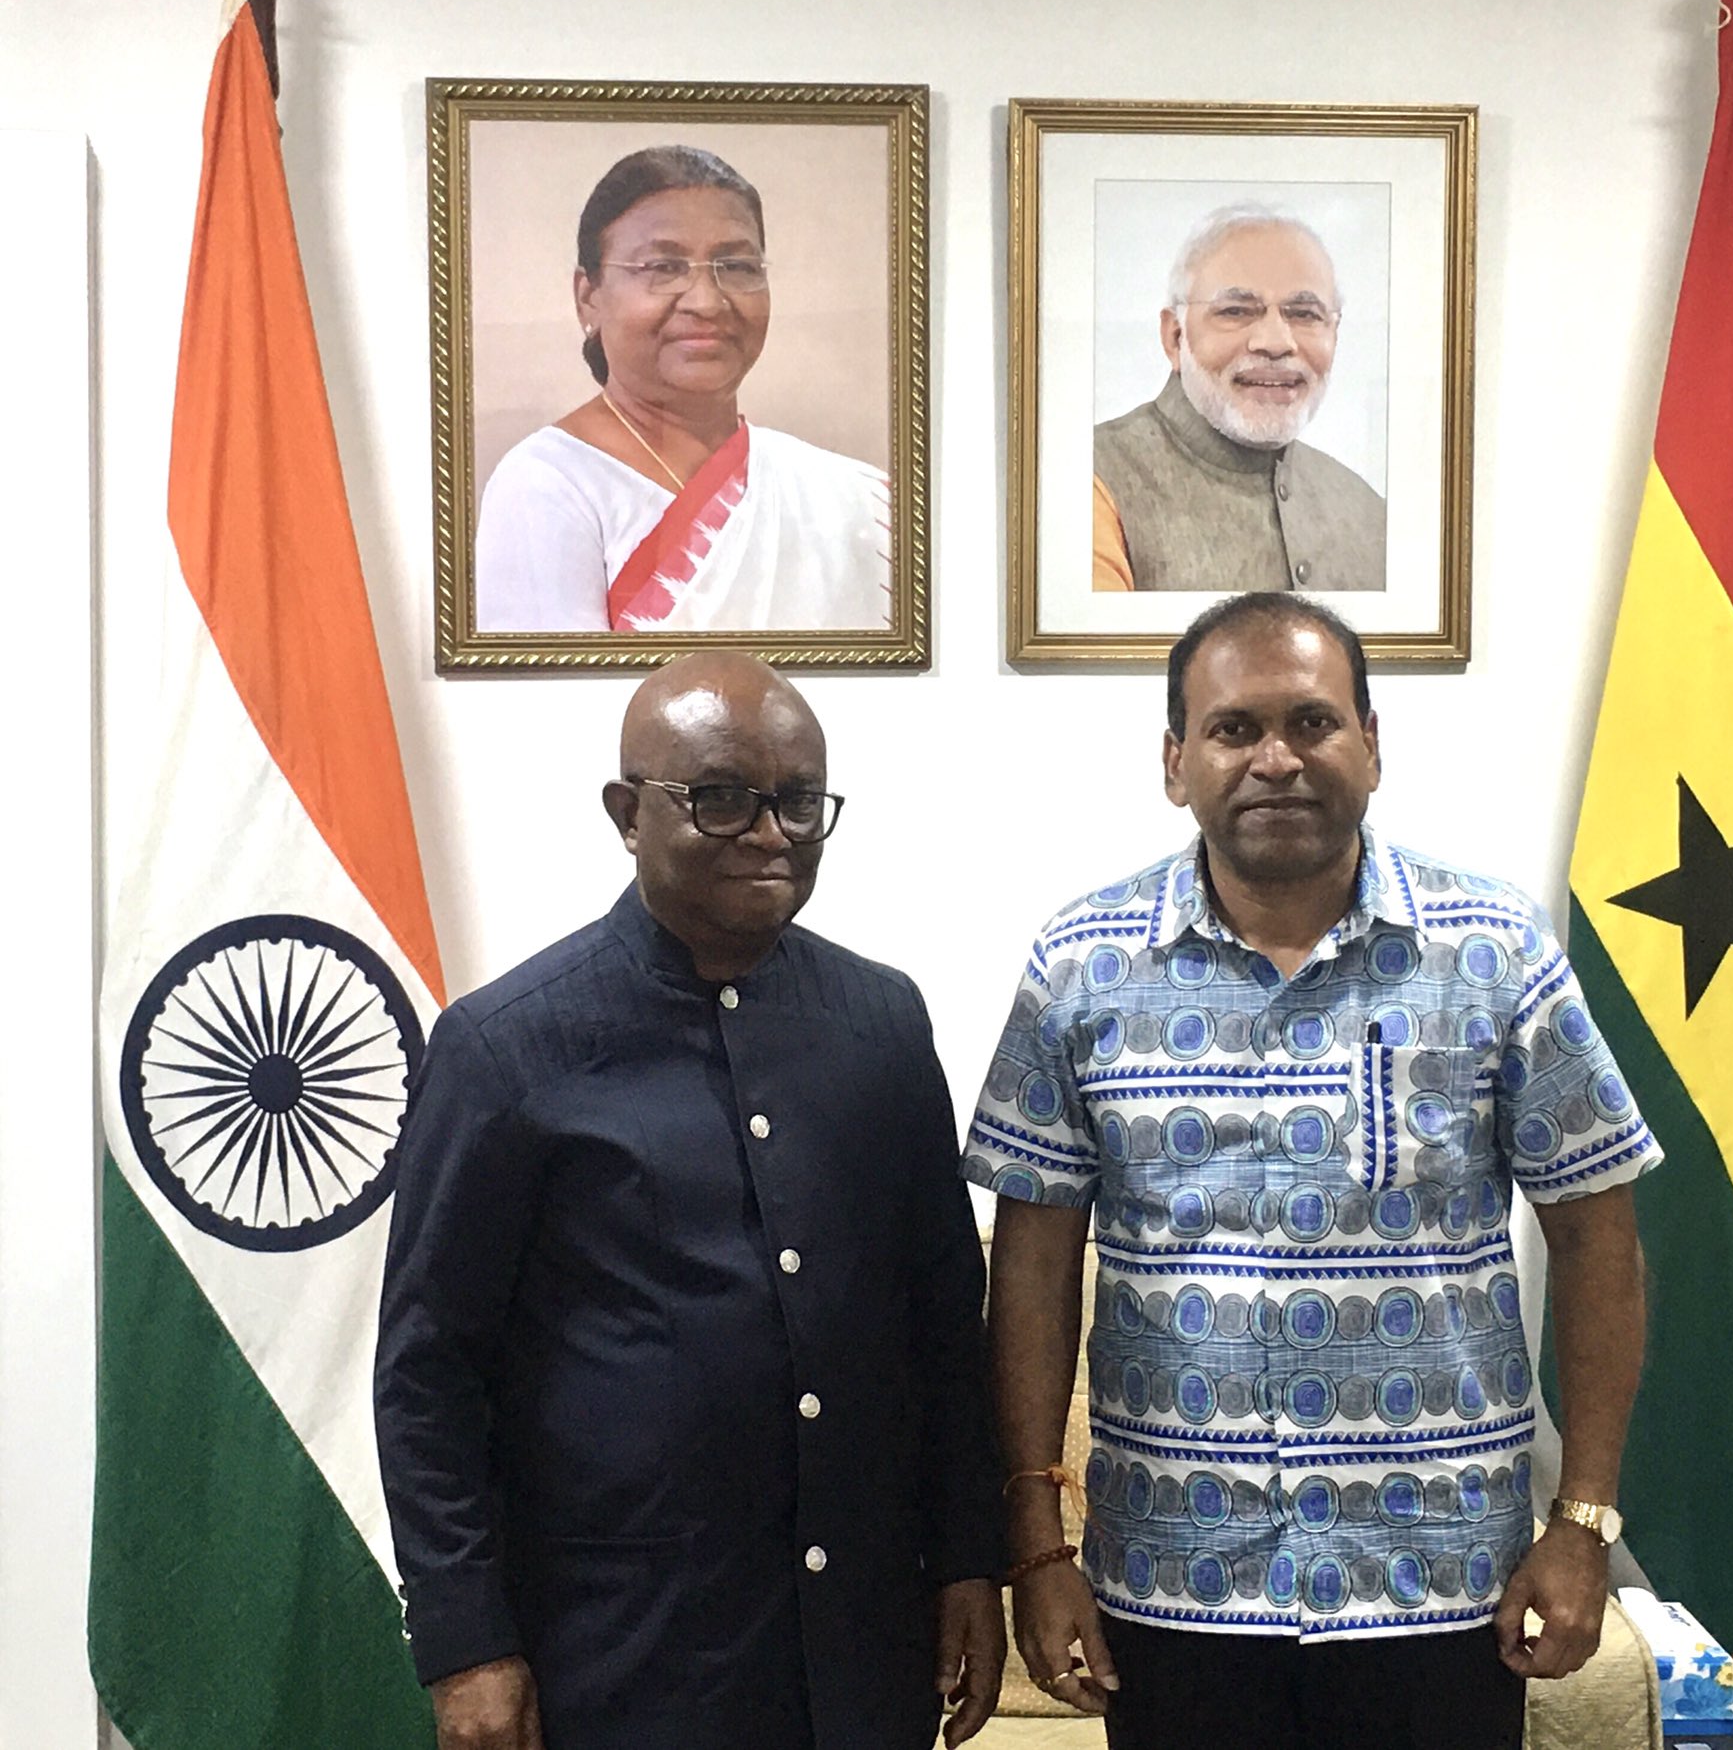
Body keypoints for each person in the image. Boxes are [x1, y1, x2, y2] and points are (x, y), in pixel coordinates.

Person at [969, 593, 1659, 1750]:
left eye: (1311, 722)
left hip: (1438, 1584)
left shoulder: (1494, 951)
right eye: (1233, 729)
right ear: (1174, 761)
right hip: (1174, 1587)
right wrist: (1037, 1549)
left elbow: (1597, 1239)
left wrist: (1581, 1519)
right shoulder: (1078, 965)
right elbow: (1033, 1269)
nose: (1275, 759)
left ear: (1370, 746)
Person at [374, 653, 1004, 1750]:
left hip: (858, 1647)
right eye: (719, 799)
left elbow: (944, 1325)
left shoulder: (882, 1026)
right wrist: (466, 1641)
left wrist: (966, 1561)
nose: (768, 833)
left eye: (799, 802)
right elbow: (429, 1373)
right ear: (627, 815)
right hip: (623, 1650)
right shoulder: (503, 1050)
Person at [474, 145, 893, 634]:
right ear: (589, 298)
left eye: (736, 267)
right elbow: (557, 684)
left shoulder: (854, 497)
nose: (707, 302)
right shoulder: (549, 483)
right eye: (663, 268)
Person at [1093, 207, 1388, 595]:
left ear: (1335, 334)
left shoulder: (1367, 510)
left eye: (1304, 314)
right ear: (1175, 337)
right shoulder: (1092, 478)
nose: (1276, 342)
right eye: (1235, 311)